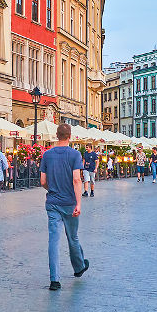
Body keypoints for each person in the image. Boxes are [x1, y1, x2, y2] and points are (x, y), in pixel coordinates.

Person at [40, 123, 88, 291]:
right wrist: (78, 202)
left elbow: (43, 181)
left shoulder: (47, 154)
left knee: (53, 240)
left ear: (56, 135)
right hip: (69, 203)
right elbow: (77, 179)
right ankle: (79, 267)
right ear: (70, 136)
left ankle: (55, 280)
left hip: (52, 203)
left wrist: (52, 190)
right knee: (72, 237)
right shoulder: (75, 154)